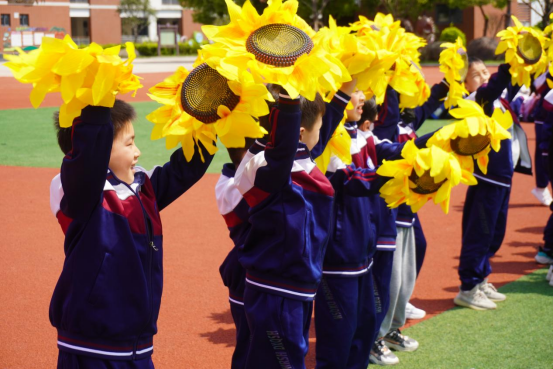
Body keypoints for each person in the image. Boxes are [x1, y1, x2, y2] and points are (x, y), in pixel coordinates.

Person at [49, 100, 214, 368]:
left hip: (136, 343)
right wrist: (96, 107)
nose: (137, 152)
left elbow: (185, 169)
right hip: (92, 345)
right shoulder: (78, 192)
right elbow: (85, 166)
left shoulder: (142, 187)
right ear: (98, 146)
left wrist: (208, 119)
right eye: (128, 144)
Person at [233, 82, 352, 369]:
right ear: (297, 133)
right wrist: (289, 97)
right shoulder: (270, 170)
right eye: (318, 128)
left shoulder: (299, 161)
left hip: (291, 287)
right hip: (278, 290)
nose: (322, 134)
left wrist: (345, 91)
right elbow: (283, 150)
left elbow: (315, 132)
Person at [371, 79, 450, 358]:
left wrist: (442, 88)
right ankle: (375, 337)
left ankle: (392, 326)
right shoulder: (385, 124)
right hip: (390, 211)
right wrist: (391, 80)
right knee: (388, 279)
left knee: (403, 276)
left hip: (407, 210)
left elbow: (425, 107)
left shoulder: (408, 117)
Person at [455, 59, 532, 310]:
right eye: (476, 75)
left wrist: (527, 56)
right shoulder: (478, 100)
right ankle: (468, 287)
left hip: (502, 178)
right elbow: (494, 87)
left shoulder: (501, 100)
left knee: (495, 233)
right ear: (465, 84)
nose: (483, 76)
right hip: (486, 179)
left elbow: (517, 80)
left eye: (485, 71)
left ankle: (481, 279)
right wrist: (506, 67)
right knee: (480, 232)